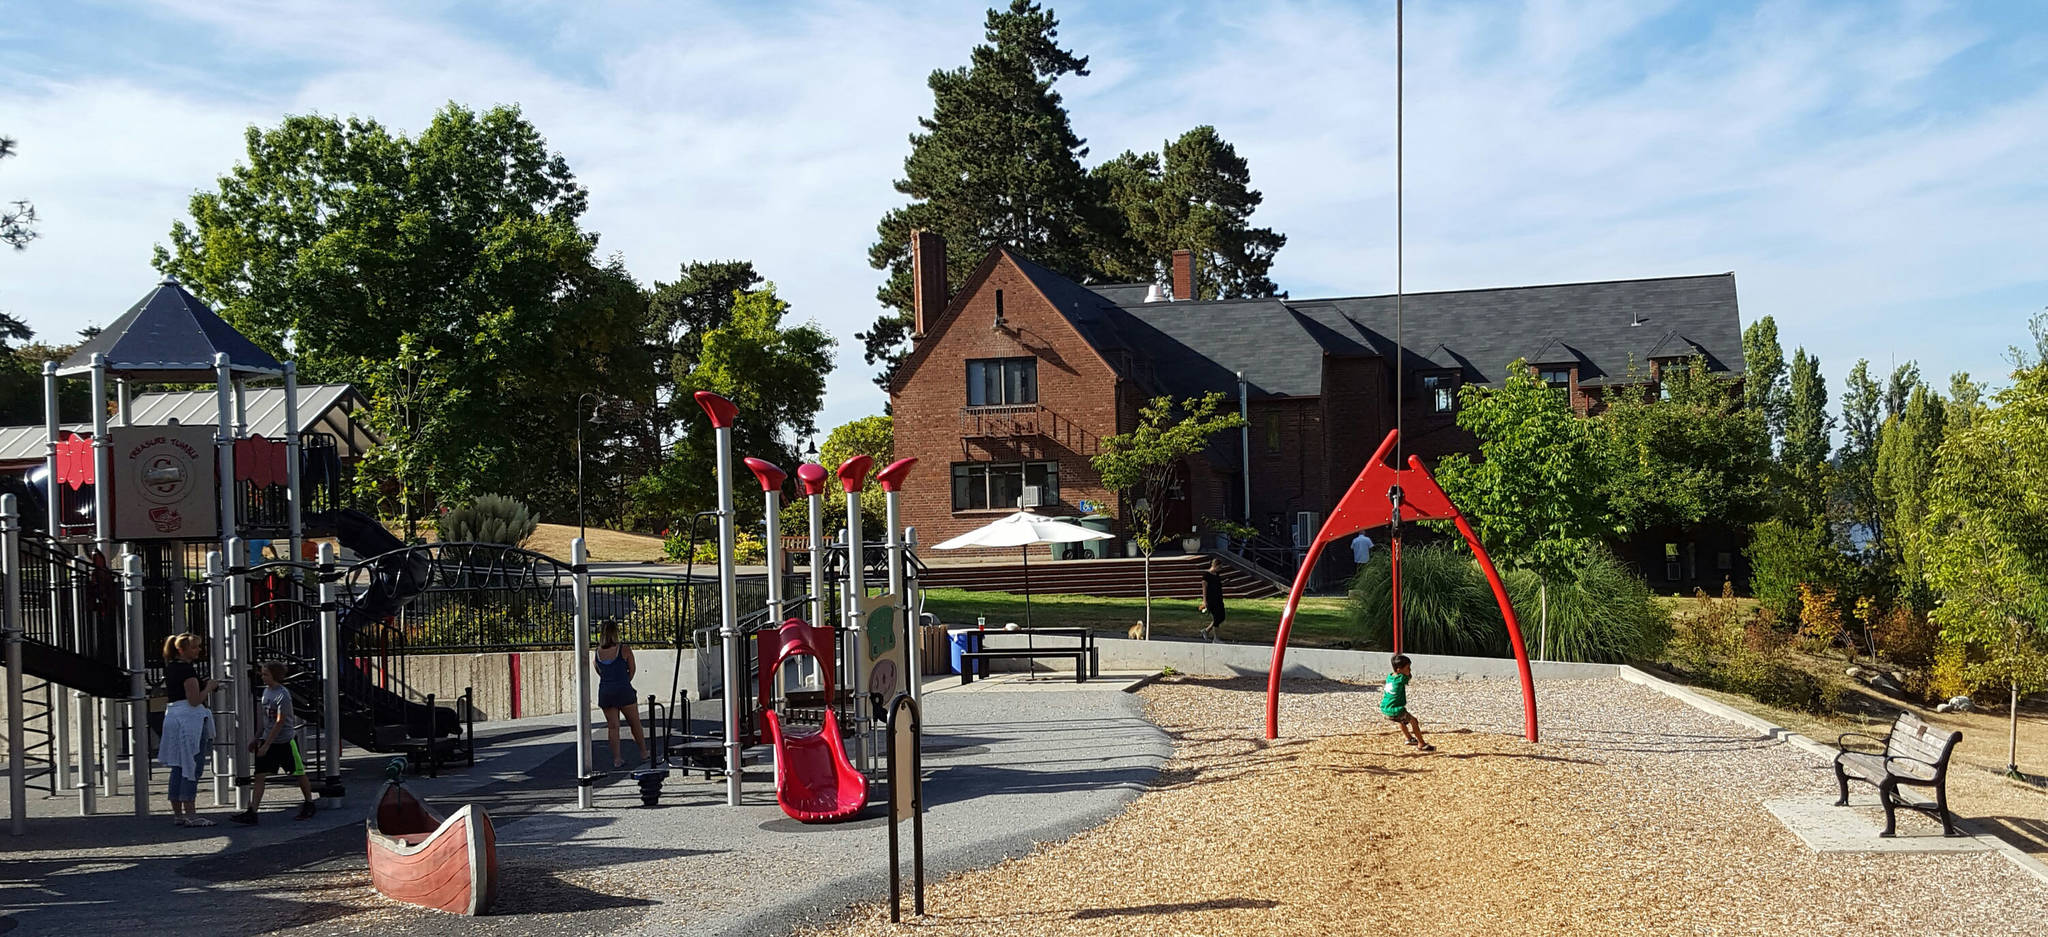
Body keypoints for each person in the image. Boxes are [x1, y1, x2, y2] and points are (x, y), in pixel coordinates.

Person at [231, 663, 317, 824]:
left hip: (285, 740)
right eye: (262, 674)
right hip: (267, 738)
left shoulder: (282, 695)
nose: (263, 677)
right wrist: (257, 738)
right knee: (259, 775)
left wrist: (266, 745)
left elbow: (279, 722)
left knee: (297, 772)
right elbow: (265, 719)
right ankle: (253, 811)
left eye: (266, 675)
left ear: (275, 676)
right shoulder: (266, 692)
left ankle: (309, 802)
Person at [158, 633, 218, 827]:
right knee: (192, 765)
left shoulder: (171, 668)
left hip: (173, 716)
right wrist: (209, 687)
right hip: (189, 719)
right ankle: (191, 813)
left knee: (178, 765)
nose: (198, 650)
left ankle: (178, 814)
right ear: (182, 650)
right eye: (194, 647)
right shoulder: (187, 670)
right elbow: (194, 700)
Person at [594, 621, 646, 768]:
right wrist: (624, 681)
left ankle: (617, 759)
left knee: (613, 726)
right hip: (623, 690)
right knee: (634, 723)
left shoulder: (597, 653)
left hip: (605, 692)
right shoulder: (624, 649)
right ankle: (643, 752)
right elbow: (632, 669)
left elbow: (599, 670)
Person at [1380, 654, 1433, 752]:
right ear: (1399, 670)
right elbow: (1408, 677)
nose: (1410, 670)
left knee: (1401, 721)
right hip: (1396, 709)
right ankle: (1421, 743)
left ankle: (1409, 738)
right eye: (1408, 668)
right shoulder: (1401, 679)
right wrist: (1408, 675)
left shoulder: (1390, 677)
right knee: (1414, 721)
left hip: (1385, 708)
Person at [1197, 559, 1226, 642]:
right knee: (1216, 617)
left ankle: (1206, 631)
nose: (1220, 569)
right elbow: (1204, 588)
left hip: (1219, 598)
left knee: (1222, 617)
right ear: (1215, 565)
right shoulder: (1206, 575)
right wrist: (1205, 601)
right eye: (1219, 567)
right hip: (1211, 599)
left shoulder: (1217, 574)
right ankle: (1216, 638)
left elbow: (1218, 585)